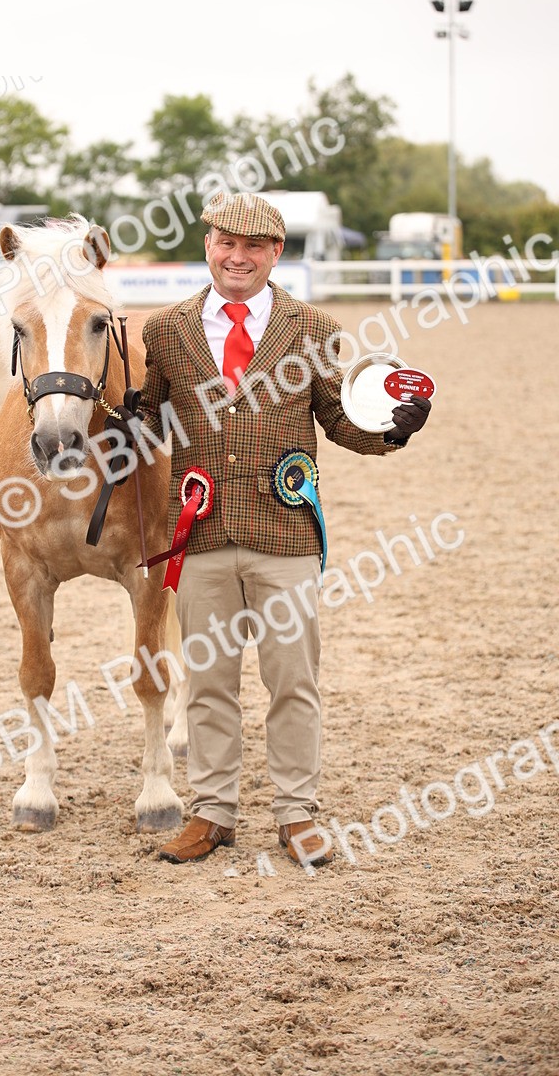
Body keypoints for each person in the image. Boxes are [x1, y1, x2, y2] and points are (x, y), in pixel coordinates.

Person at [125, 191, 432, 867]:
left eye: (255, 246)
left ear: (275, 253)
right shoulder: (165, 331)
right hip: (201, 535)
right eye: (227, 243)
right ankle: (211, 813)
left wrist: (391, 433)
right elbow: (151, 420)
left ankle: (297, 815)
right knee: (207, 682)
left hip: (287, 535)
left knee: (293, 680)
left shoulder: (312, 329)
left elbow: (337, 418)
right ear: (207, 245)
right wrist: (127, 419)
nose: (239, 257)